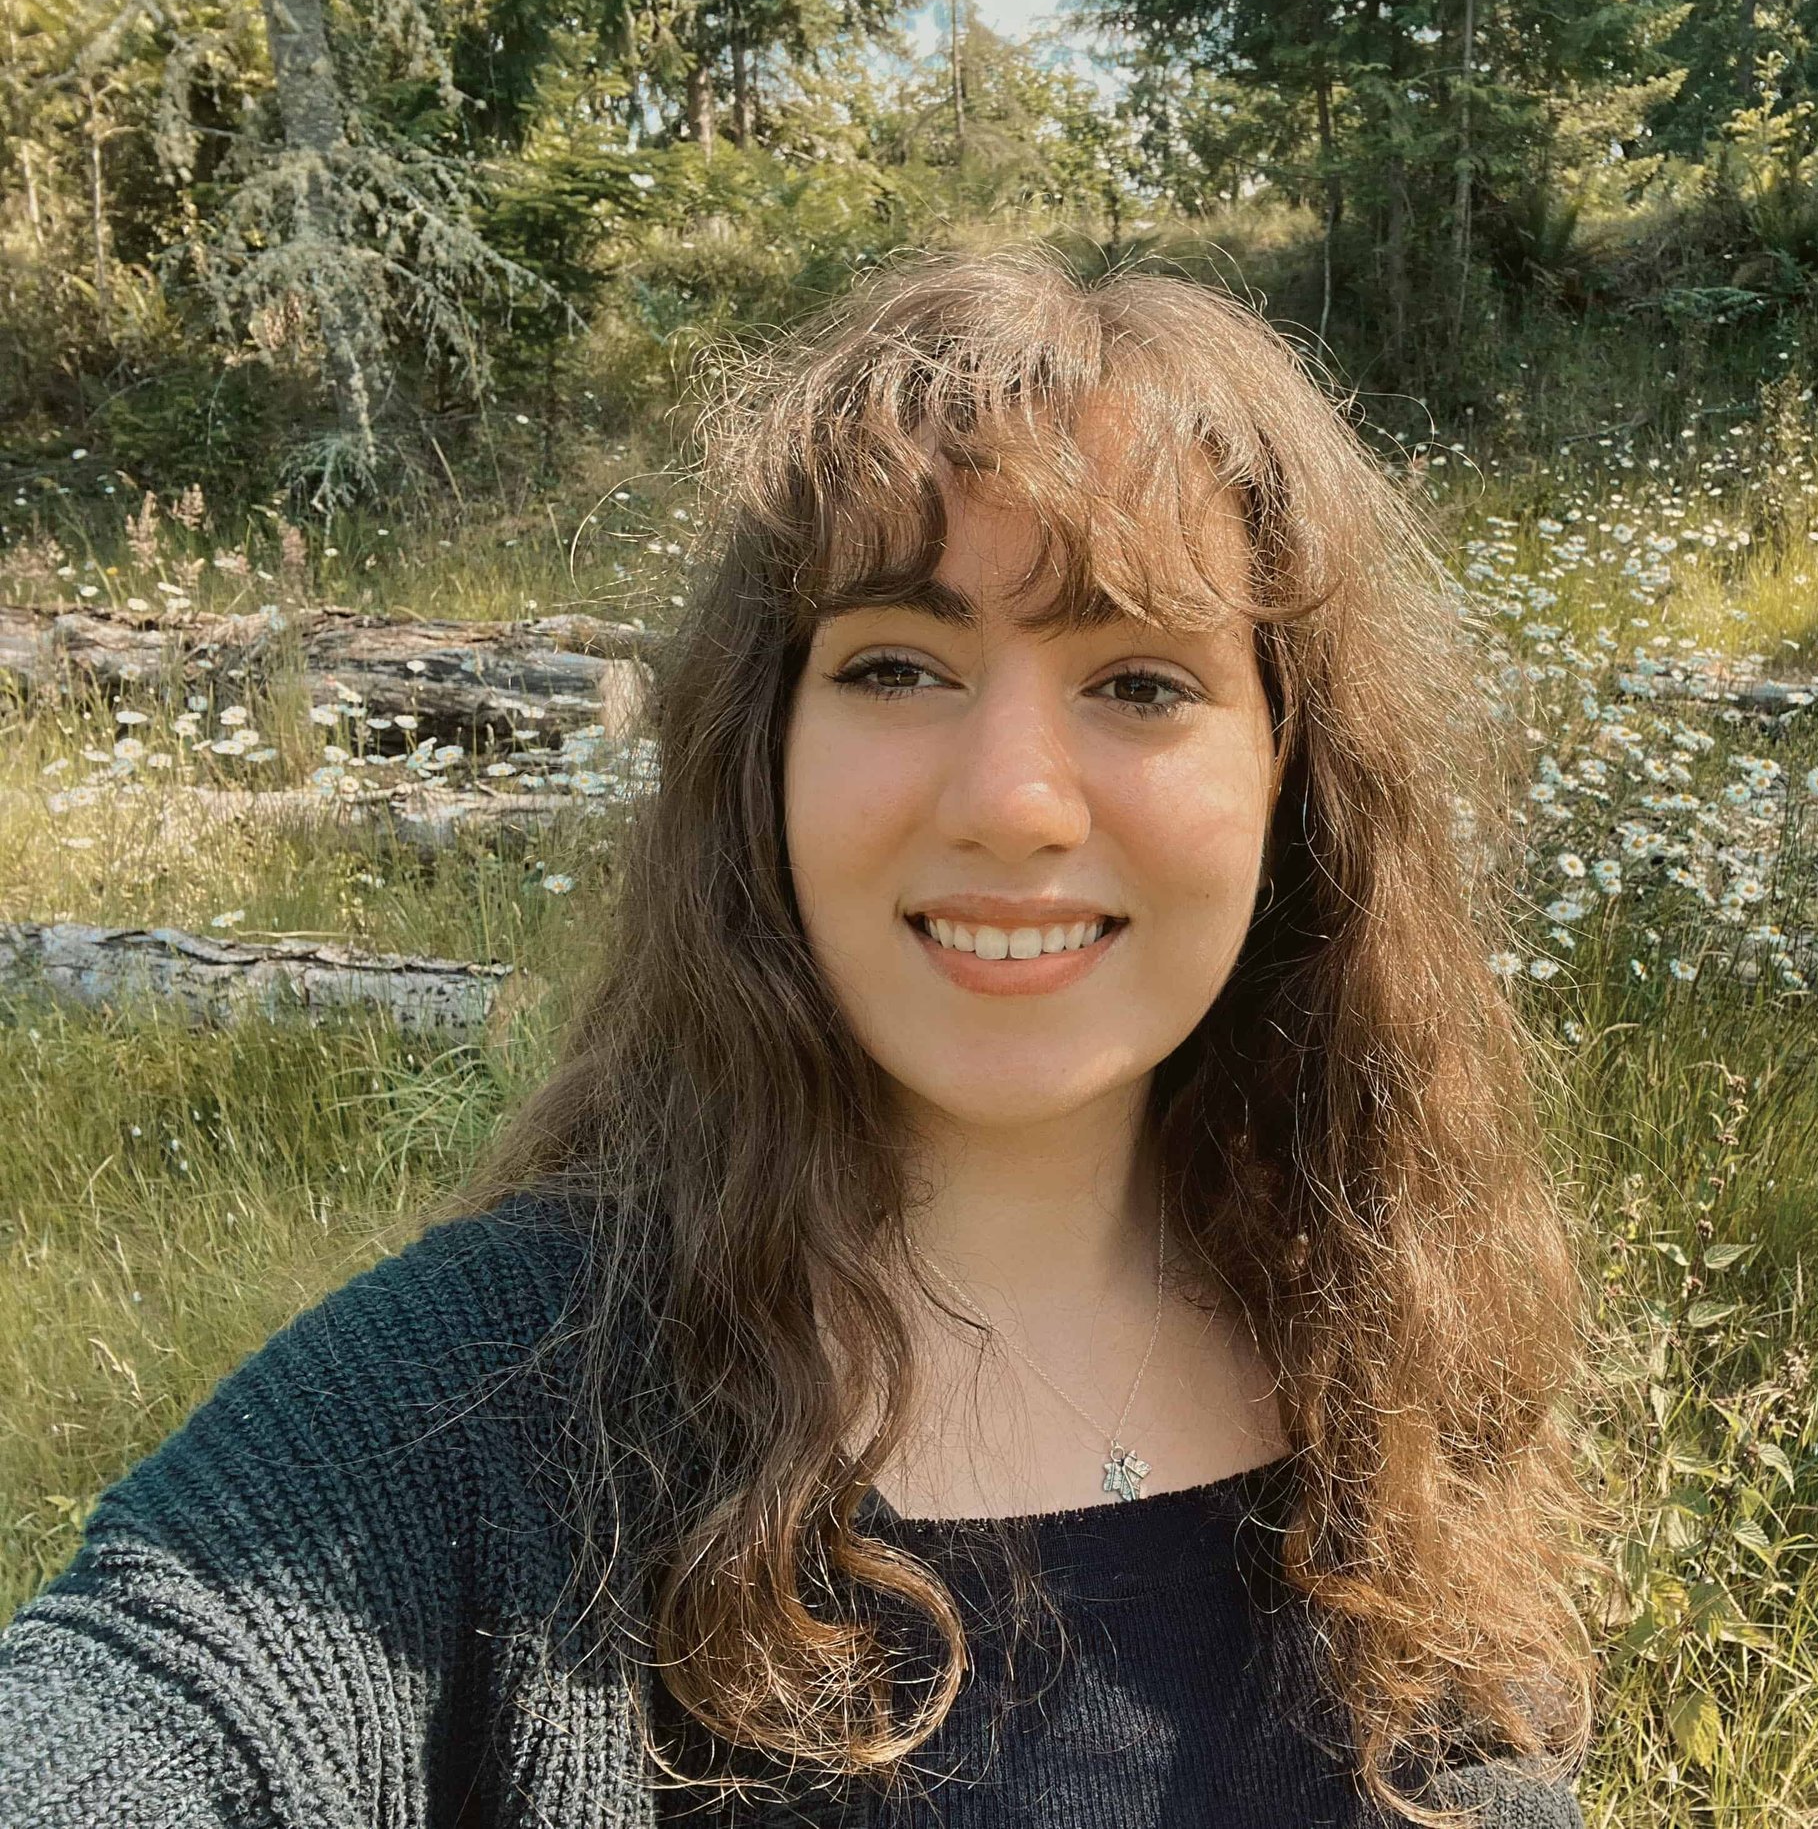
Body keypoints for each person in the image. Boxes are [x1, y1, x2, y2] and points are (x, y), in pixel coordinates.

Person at [0, 248, 1595, 1826]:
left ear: (1291, 782)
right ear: (761, 755)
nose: (1013, 804)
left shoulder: (1398, 1344)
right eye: (897, 668)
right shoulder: (469, 1412)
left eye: (1138, 680)